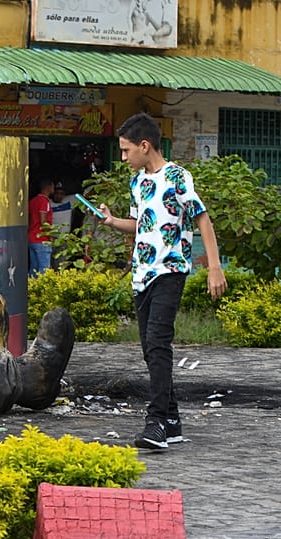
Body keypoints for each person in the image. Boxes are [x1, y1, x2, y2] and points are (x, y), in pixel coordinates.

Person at [97, 112, 227, 450]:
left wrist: (215, 267)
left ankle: (154, 422)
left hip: (170, 271)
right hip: (142, 275)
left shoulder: (177, 177)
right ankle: (172, 421)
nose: (123, 157)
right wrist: (112, 222)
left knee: (157, 344)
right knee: (150, 350)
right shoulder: (138, 183)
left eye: (126, 150)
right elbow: (141, 224)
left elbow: (202, 219)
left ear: (145, 145)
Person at [28, 178, 54, 276]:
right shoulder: (44, 201)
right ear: (48, 187)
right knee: (44, 268)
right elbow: (43, 221)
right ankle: (43, 290)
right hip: (42, 239)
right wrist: (50, 235)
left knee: (34, 268)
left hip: (32, 237)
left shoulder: (33, 201)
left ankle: (31, 289)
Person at [50, 182, 77, 269]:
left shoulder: (69, 201)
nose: (59, 196)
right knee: (49, 264)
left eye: (61, 194)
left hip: (64, 239)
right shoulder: (47, 203)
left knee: (61, 264)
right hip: (50, 239)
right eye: (57, 193)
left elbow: (87, 195)